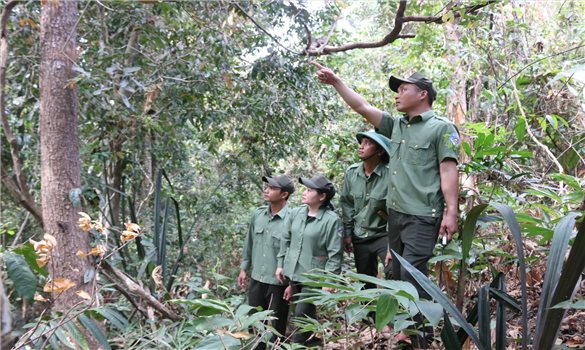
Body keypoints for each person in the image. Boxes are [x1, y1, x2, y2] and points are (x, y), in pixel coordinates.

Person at [311, 62, 460, 347]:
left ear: (423, 95)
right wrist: (336, 82)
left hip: (422, 216)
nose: (397, 94)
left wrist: (451, 212)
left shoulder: (441, 128)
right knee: (399, 275)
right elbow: (363, 107)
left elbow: (448, 171)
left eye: (404, 89)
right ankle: (407, 330)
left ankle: (420, 337)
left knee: (414, 275)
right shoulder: (396, 127)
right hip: (396, 217)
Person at [275, 175, 343, 347]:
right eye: (305, 189)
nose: (305, 193)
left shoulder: (331, 220)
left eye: (309, 190)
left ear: (322, 196)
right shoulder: (296, 213)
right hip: (294, 275)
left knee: (302, 316)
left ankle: (299, 345)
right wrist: (281, 265)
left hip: (314, 277)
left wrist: (330, 280)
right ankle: (312, 344)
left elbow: (335, 254)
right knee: (302, 318)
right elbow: (286, 240)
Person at [238, 174, 295, 349]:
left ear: (284, 194)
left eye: (272, 188)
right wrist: (243, 268)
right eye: (267, 186)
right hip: (256, 278)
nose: (266, 190)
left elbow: (295, 252)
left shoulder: (293, 218)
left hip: (278, 282)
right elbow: (249, 242)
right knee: (255, 323)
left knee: (277, 326)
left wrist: (292, 282)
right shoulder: (258, 214)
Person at [340, 131, 392, 288]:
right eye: (361, 142)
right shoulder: (352, 173)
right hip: (360, 235)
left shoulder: (390, 175)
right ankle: (369, 313)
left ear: (380, 151)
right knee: (365, 281)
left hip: (384, 234)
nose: (361, 147)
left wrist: (393, 244)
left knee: (393, 272)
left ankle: (394, 310)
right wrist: (348, 234)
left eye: (368, 143)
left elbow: (396, 210)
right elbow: (347, 204)